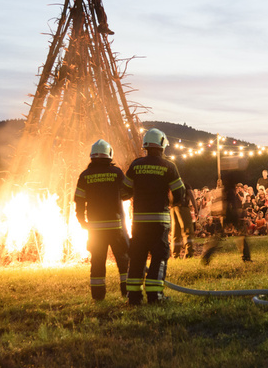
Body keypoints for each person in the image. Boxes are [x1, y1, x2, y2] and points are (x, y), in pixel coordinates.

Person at [122, 128, 185, 305]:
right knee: (159, 256)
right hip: (159, 222)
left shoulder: (135, 165)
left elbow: (124, 192)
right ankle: (155, 295)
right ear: (162, 145)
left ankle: (133, 296)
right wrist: (173, 203)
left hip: (140, 222)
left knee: (137, 257)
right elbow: (180, 192)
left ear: (146, 146)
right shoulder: (169, 166)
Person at [74, 140, 130, 301]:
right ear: (109, 154)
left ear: (92, 155)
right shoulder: (117, 173)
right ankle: (126, 292)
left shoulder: (85, 176)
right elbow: (127, 193)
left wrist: (81, 221)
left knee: (97, 262)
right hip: (116, 227)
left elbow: (78, 201)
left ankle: (98, 296)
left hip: (95, 229)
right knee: (124, 260)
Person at [201, 156, 253, 265]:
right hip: (229, 209)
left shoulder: (226, 177)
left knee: (220, 235)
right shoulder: (230, 177)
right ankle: (246, 257)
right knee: (240, 233)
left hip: (227, 209)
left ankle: (207, 255)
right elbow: (239, 177)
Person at [170, 183, 198, 258]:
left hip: (172, 209)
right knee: (188, 230)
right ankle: (189, 253)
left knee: (175, 232)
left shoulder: (171, 185)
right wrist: (196, 208)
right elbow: (191, 196)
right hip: (183, 207)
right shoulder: (185, 185)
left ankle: (175, 254)